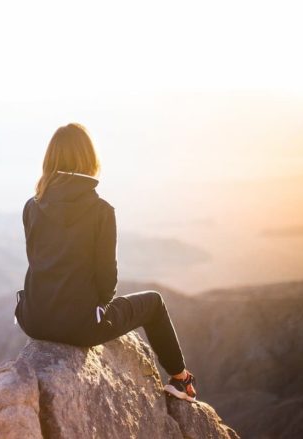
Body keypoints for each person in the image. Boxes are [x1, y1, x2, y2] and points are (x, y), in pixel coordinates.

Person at [13, 122, 197, 402]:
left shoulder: (31, 205)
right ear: (89, 160)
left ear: (50, 160)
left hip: (33, 319)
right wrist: (95, 310)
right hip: (81, 326)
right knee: (155, 303)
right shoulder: (101, 211)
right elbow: (107, 281)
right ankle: (180, 379)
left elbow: (37, 261)